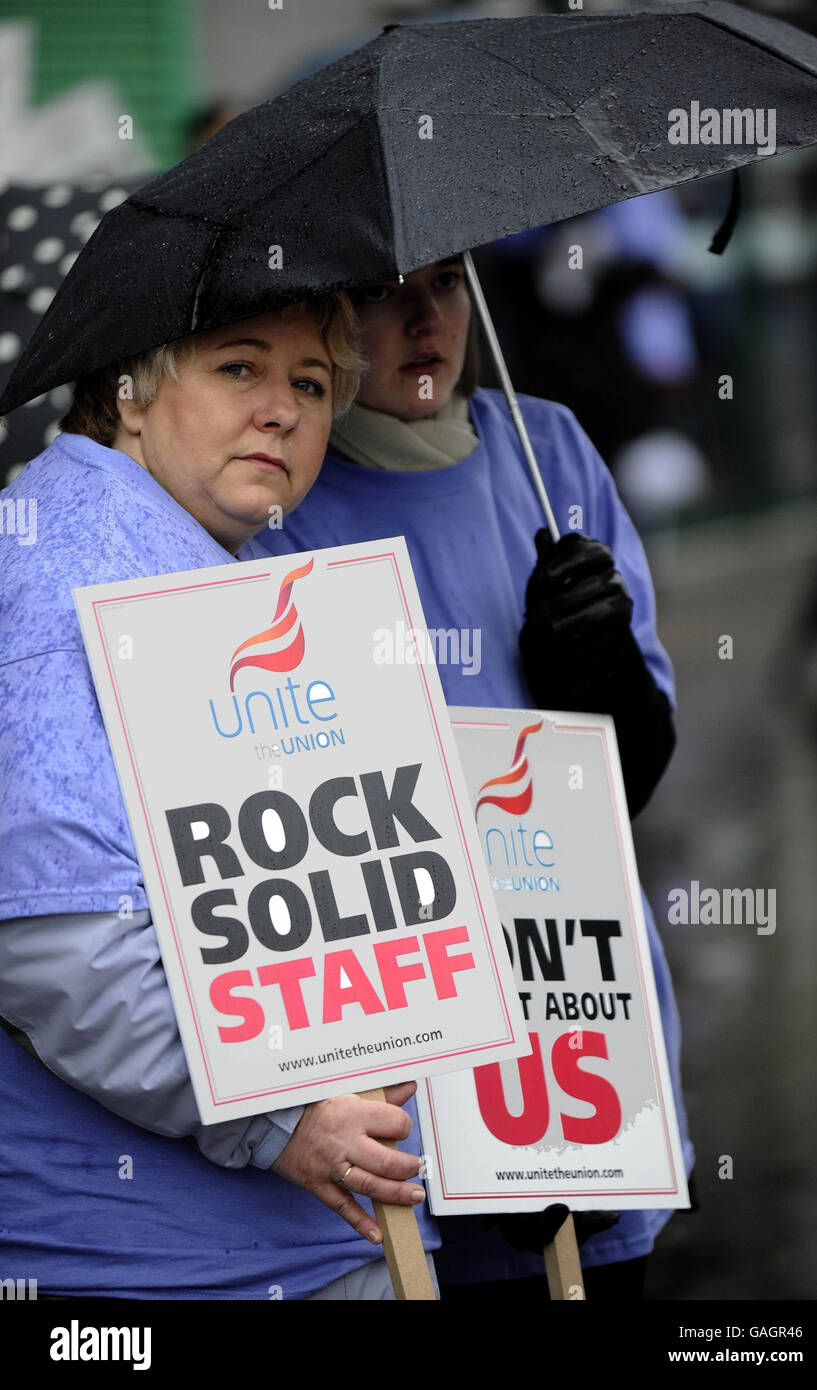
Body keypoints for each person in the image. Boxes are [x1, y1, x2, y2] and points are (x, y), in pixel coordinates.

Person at [248, 255, 696, 1298]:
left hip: (575, 1010)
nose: (424, 316)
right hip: (403, 1038)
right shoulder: (279, 497)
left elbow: (631, 779)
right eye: (378, 290)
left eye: (446, 282)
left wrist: (598, 671)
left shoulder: (548, 451)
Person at [0, 293, 439, 1301]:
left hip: (259, 1246)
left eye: (313, 383)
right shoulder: (60, 569)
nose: (282, 410)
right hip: (154, 1267)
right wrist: (281, 1116)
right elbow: (60, 945)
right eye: (239, 368)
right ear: (131, 394)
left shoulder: (204, 559)